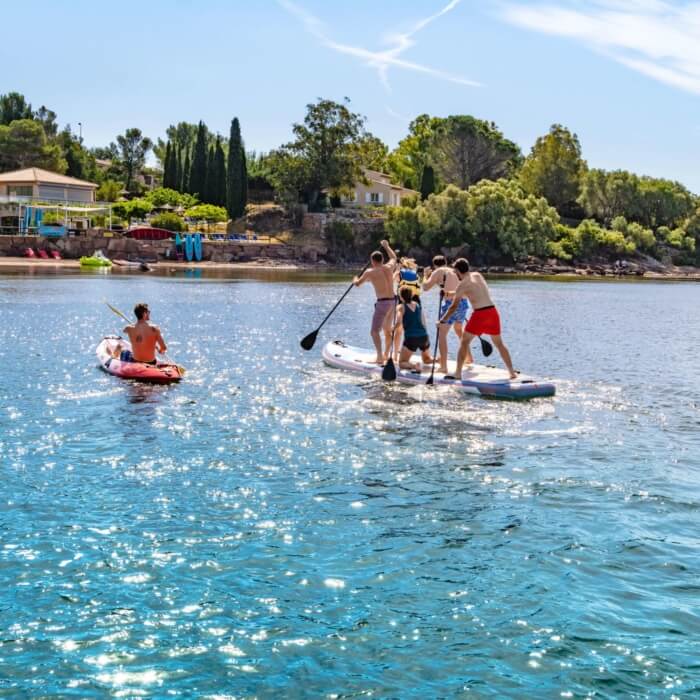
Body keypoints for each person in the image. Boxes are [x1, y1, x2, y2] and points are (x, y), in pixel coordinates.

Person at [440, 258, 517, 380]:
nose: (455, 274)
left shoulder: (462, 285)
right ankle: (512, 373)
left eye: (455, 272)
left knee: (464, 342)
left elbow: (453, 306)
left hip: (480, 314)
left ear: (458, 271)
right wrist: (451, 293)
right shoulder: (478, 275)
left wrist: (442, 320)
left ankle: (458, 373)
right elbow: (473, 291)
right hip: (493, 312)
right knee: (499, 344)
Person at [423, 255, 470, 373]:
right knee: (459, 329)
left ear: (435, 265)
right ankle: (469, 358)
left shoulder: (438, 271)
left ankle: (443, 366)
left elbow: (425, 287)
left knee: (442, 333)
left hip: (451, 304)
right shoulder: (453, 271)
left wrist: (425, 275)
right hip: (463, 303)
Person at [353, 240, 398, 364]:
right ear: (382, 260)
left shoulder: (369, 272)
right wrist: (387, 246)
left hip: (383, 303)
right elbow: (394, 257)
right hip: (393, 301)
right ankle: (386, 355)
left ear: (372, 261)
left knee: (374, 331)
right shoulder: (389, 267)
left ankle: (379, 358)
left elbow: (358, 284)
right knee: (387, 329)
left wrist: (355, 279)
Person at [394, 286, 433, 372]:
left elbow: (399, 321)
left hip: (411, 338)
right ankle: (438, 360)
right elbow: (423, 322)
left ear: (401, 296)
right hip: (424, 336)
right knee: (427, 360)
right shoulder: (417, 305)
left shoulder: (400, 307)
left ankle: (415, 366)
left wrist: (393, 329)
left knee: (402, 362)